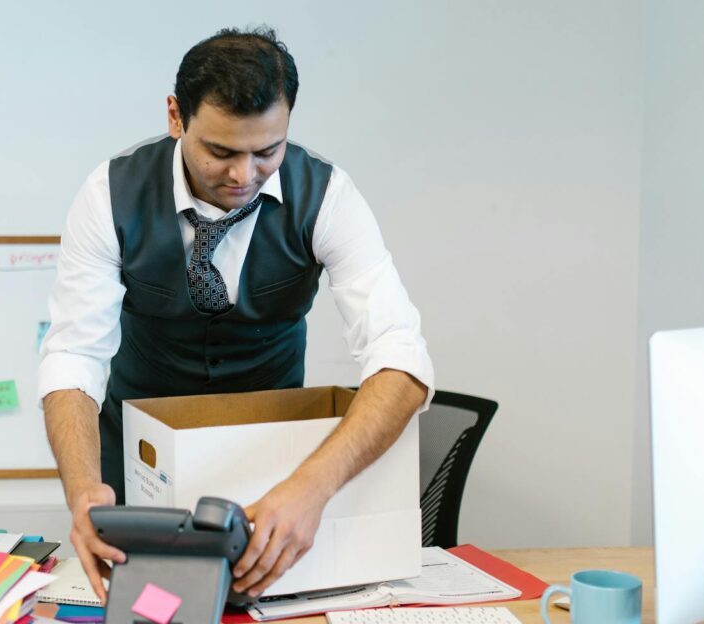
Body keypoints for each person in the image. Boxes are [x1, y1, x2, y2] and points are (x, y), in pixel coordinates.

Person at [37, 25, 433, 602]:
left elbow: (401, 358)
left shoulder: (328, 197)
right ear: (176, 116)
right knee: (147, 613)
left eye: (267, 151)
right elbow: (74, 355)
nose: (243, 176)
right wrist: (82, 491)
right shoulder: (108, 194)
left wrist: (312, 489)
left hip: (276, 486)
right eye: (221, 151)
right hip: (138, 478)